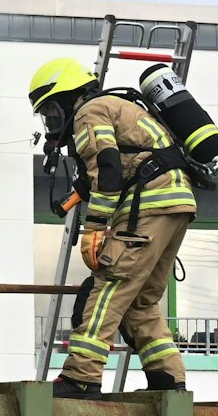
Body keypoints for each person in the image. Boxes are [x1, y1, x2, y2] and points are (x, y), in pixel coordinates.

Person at [29, 57, 196, 398]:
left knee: (108, 287)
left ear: (68, 98)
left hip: (146, 205)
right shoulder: (117, 107)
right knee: (140, 302)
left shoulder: (89, 112)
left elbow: (107, 171)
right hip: (176, 204)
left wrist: (94, 228)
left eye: (52, 112)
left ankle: (81, 377)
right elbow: (119, 162)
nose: (52, 122)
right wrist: (73, 198)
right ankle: (168, 381)